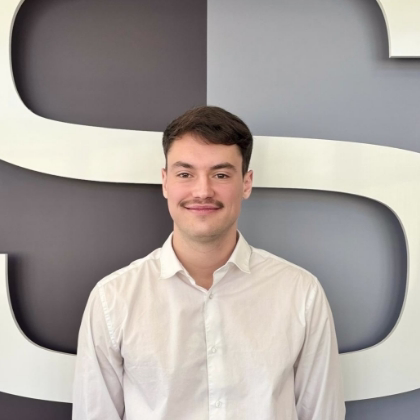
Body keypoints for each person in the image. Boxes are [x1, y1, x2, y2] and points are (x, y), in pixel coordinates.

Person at [72, 106, 346, 420]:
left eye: (221, 174)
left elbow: (323, 413)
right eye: (185, 174)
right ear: (165, 182)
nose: (202, 191)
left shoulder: (300, 292)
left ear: (246, 183)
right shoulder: (113, 298)